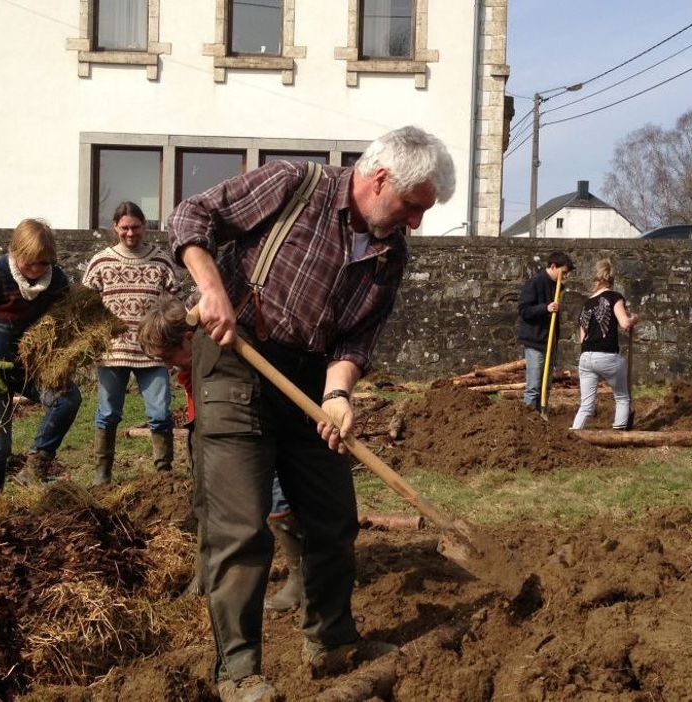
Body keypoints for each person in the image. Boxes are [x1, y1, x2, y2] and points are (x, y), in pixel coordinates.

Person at [168, 125, 455, 702]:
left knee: (332, 516)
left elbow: (357, 340)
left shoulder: (388, 253)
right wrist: (211, 289)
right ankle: (240, 670)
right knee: (241, 524)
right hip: (236, 357)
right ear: (379, 180)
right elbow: (191, 218)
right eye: (413, 206)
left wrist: (338, 395)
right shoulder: (295, 184)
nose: (417, 223)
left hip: (309, 379)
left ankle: (331, 640)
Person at [139, 297, 304, 613]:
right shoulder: (191, 364)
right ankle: (207, 575)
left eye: (168, 356)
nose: (167, 366)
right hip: (210, 434)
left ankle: (301, 578)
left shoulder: (227, 351)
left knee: (276, 498)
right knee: (208, 501)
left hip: (255, 430)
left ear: (189, 339)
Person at [0, 218, 82, 499]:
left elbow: (62, 319)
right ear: (16, 252)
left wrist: (65, 353)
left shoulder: (55, 280)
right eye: (30, 263)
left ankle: (34, 466)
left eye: (43, 264)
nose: (35, 271)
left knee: (66, 398)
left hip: (23, 366)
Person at [83, 201, 184, 484]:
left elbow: (176, 306)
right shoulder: (101, 262)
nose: (130, 233)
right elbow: (85, 307)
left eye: (136, 227)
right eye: (125, 227)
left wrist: (173, 345)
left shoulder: (161, 261)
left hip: (153, 354)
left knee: (160, 413)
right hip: (112, 353)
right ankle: (102, 475)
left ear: (145, 226)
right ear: (115, 227)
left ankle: (163, 474)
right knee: (108, 413)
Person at [569, 259, 637, 431]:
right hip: (607, 355)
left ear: (596, 280)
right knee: (622, 397)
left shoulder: (587, 304)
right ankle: (619, 433)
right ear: (612, 280)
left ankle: (574, 436)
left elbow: (582, 337)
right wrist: (634, 319)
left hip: (586, 357)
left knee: (586, 405)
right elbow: (625, 323)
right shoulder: (615, 298)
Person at [517, 251, 574, 411]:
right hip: (535, 342)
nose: (565, 276)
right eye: (564, 272)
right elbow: (524, 310)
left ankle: (543, 418)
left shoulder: (557, 286)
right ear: (553, 266)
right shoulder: (534, 283)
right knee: (534, 386)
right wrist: (546, 308)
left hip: (550, 342)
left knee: (546, 386)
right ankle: (529, 421)